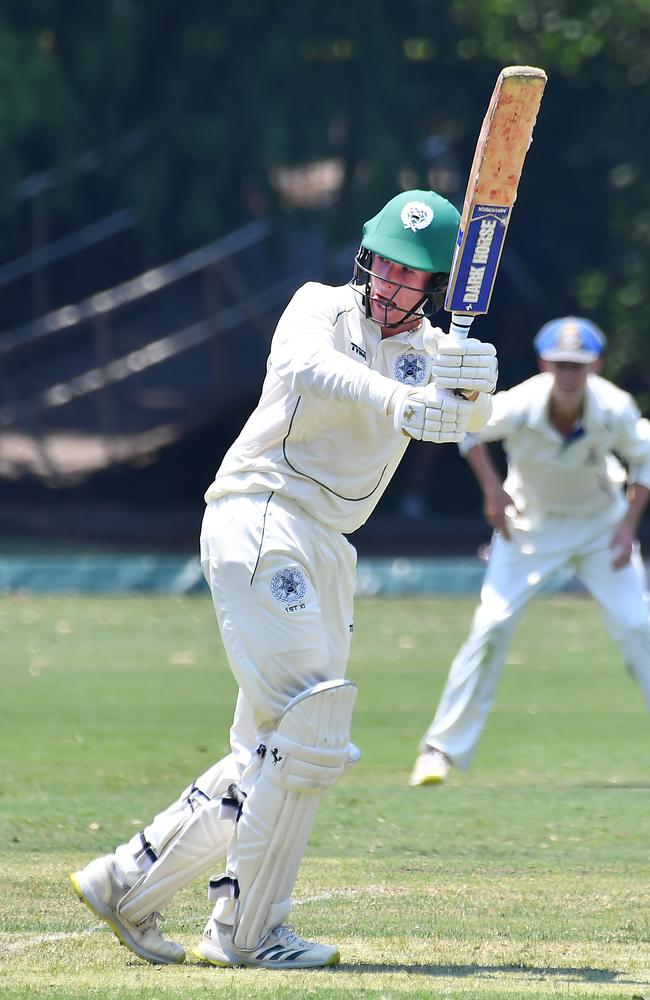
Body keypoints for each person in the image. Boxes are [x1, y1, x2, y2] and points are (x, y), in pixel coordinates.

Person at [69, 189, 498, 969]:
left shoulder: (434, 350)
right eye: (387, 267)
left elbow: (467, 420)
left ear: (435, 287)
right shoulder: (318, 308)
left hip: (330, 544)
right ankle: (246, 932)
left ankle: (126, 882)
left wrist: (476, 385)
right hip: (263, 511)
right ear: (367, 257)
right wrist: (409, 401)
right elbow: (306, 368)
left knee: (269, 748)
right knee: (309, 731)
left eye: (413, 277)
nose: (393, 285)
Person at [410, 316, 650, 787]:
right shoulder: (521, 402)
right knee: (492, 624)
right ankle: (439, 750)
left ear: (595, 366)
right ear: (545, 363)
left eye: (578, 366)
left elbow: (644, 457)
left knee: (639, 625)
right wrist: (492, 491)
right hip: (529, 529)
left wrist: (627, 526)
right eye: (560, 365)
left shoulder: (615, 407)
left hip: (600, 527)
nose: (568, 375)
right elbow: (469, 428)